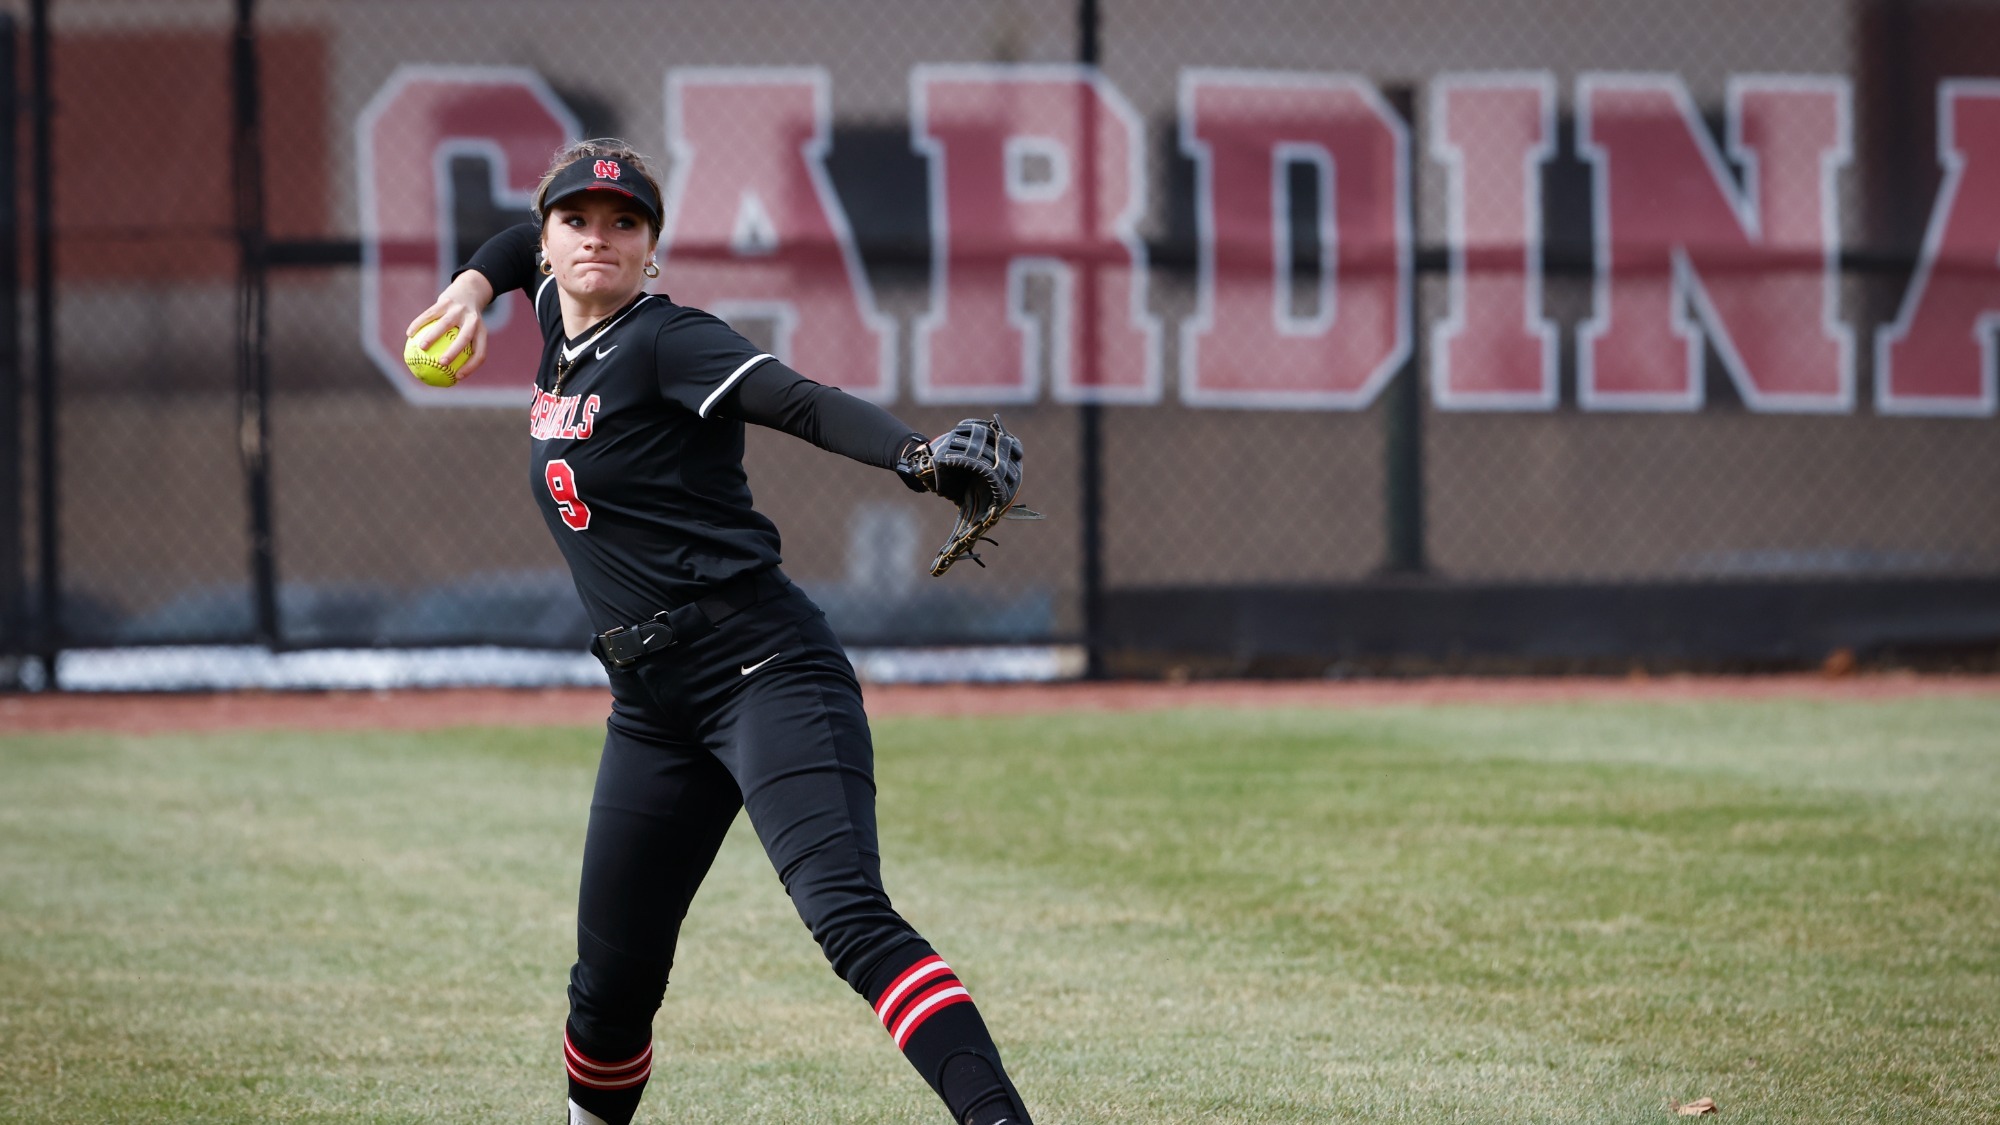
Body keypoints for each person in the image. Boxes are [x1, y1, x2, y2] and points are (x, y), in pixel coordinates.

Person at [408, 139, 1034, 1125]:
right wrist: (471, 285)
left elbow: (795, 400)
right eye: (578, 220)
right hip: (650, 710)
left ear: (651, 249)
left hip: (762, 671)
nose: (598, 239)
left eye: (625, 224)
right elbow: (512, 239)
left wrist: (914, 458)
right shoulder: (553, 314)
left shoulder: (664, 339)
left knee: (847, 919)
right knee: (608, 992)